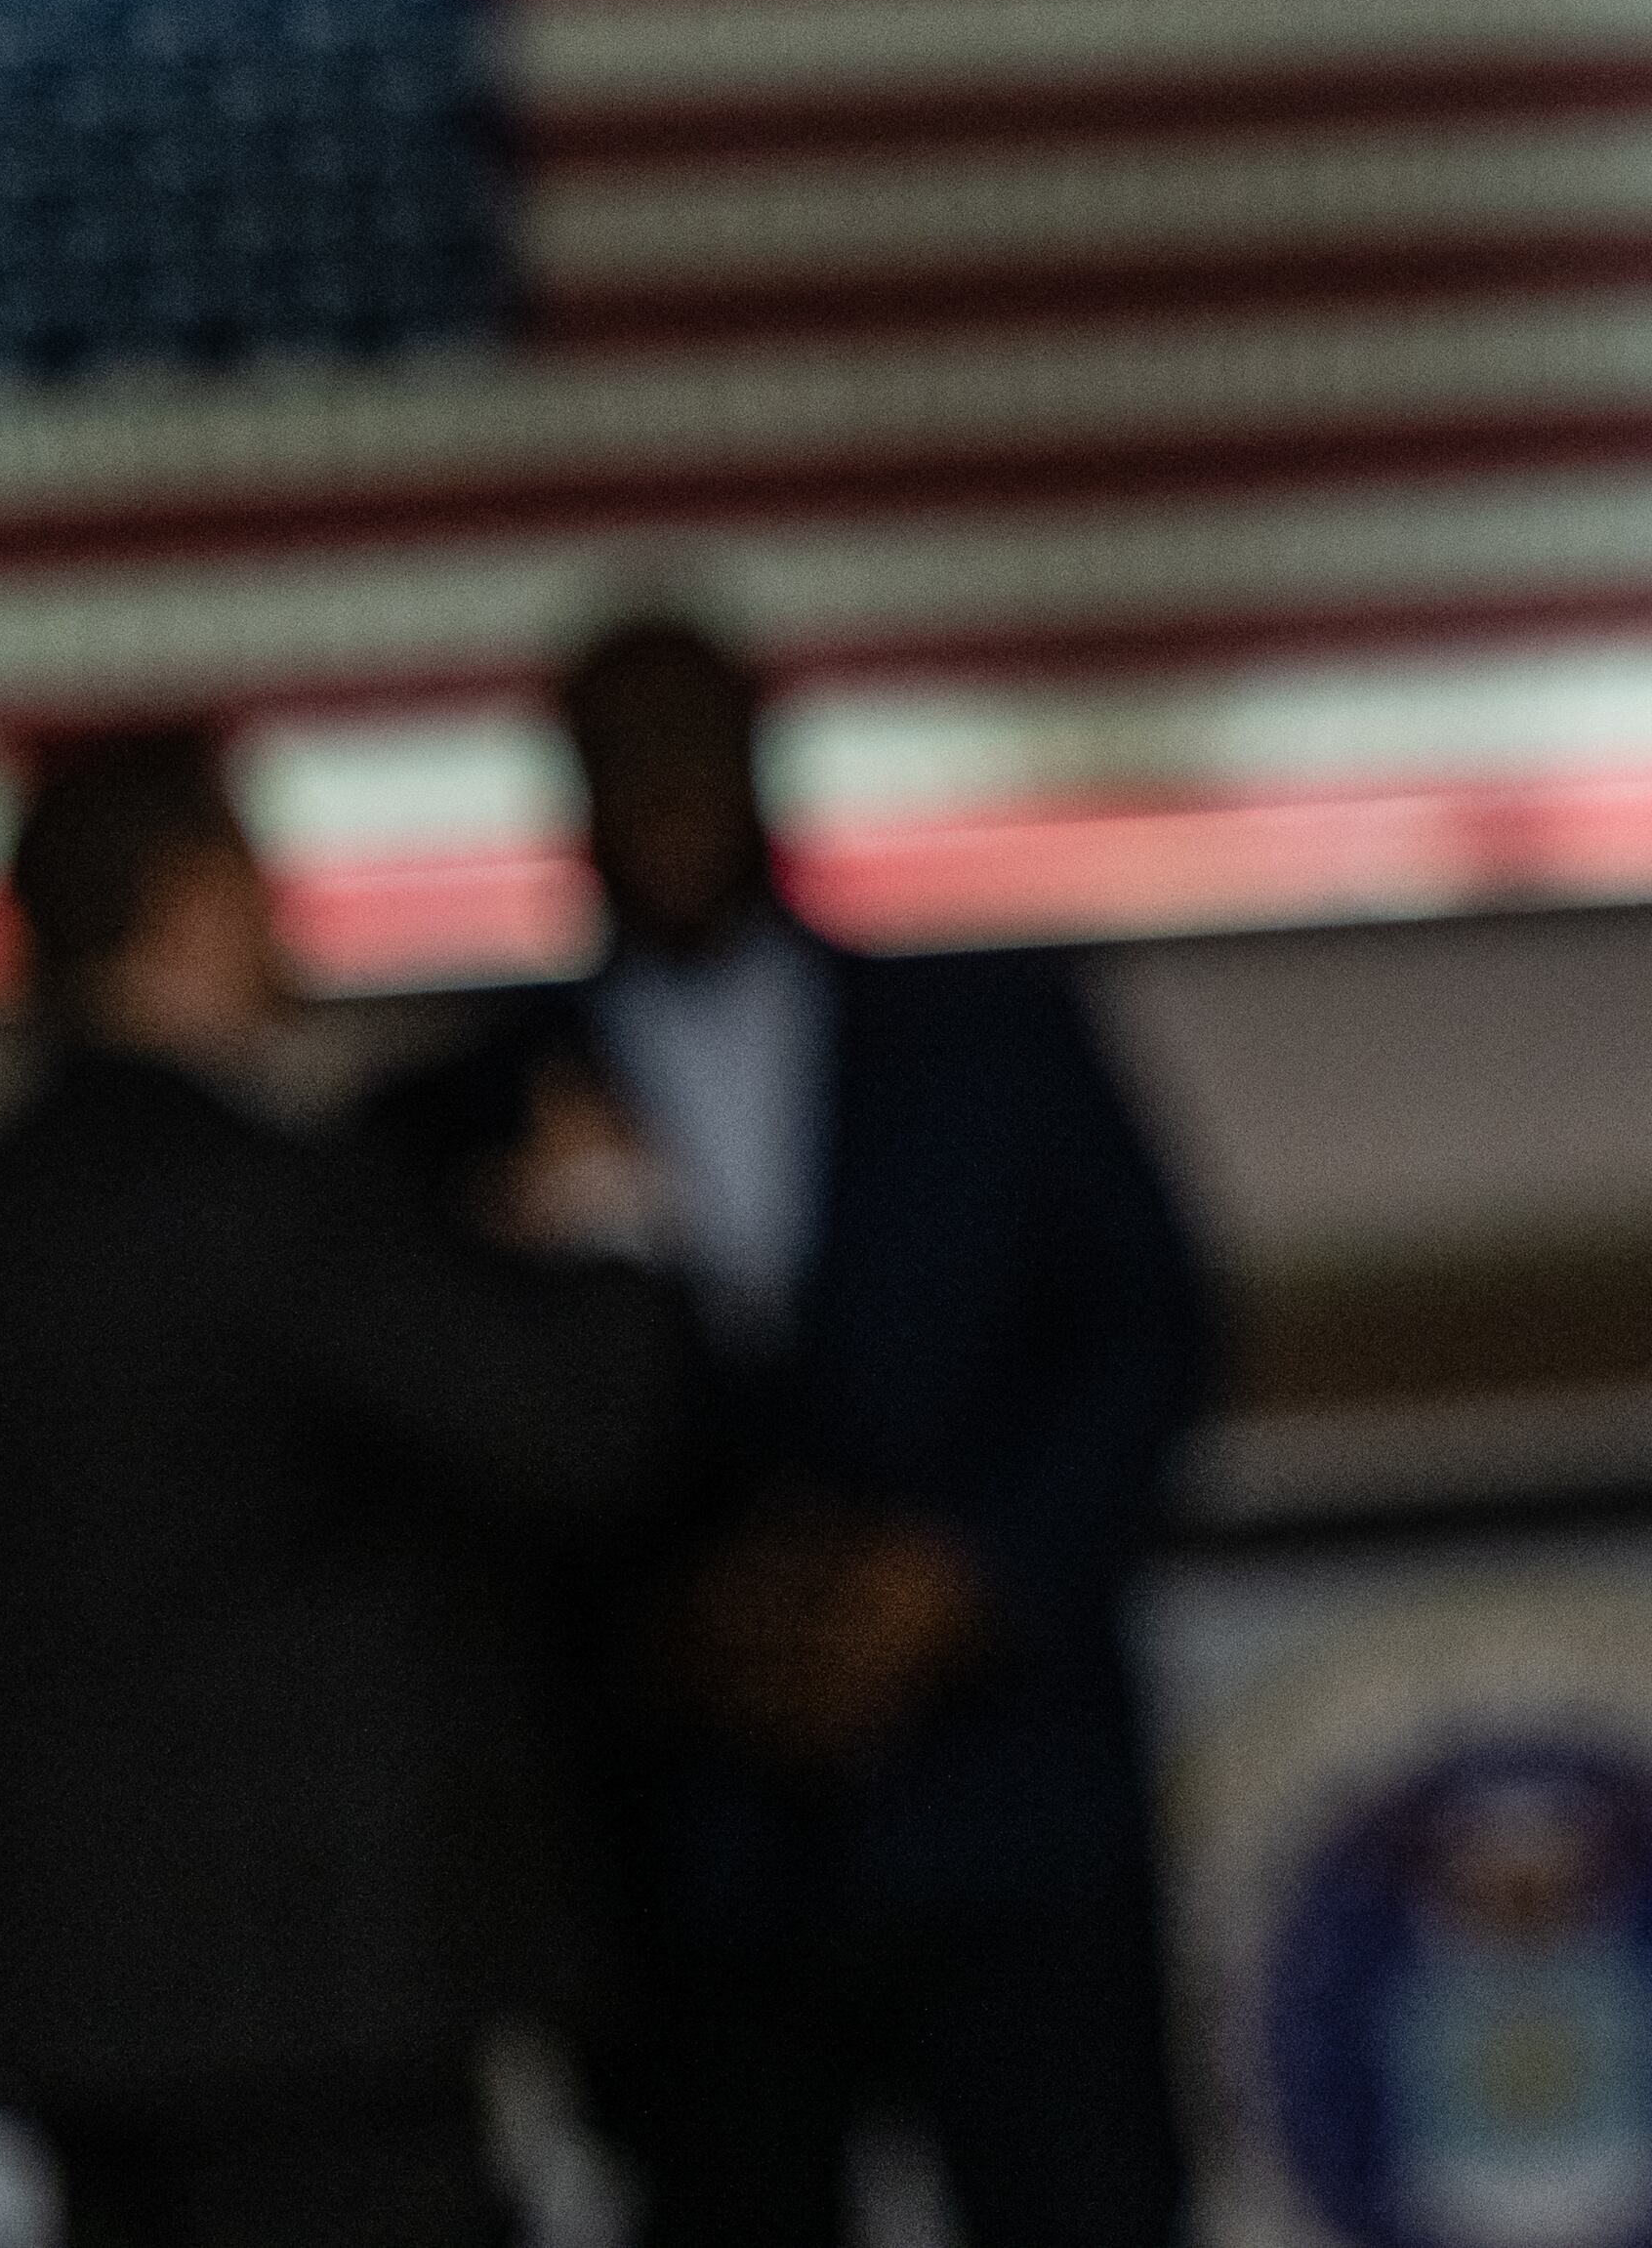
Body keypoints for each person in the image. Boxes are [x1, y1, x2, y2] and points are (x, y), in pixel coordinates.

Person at [0, 728, 688, 2248]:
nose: (290, 910)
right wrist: (606, 1229)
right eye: (256, 875)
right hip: (328, 1994)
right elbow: (571, 1438)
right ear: (186, 898)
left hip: (82, 1992)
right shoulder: (269, 1199)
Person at [518, 618, 1218, 2248]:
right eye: (626, 770)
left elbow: (1150, 1333)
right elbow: (470, 1454)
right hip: (694, 1861)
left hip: (1014, 1809)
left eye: (692, 758)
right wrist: (681, 1624)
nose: (666, 807)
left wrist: (963, 1575)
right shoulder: (484, 1098)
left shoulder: (993, 1032)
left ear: (764, 764)